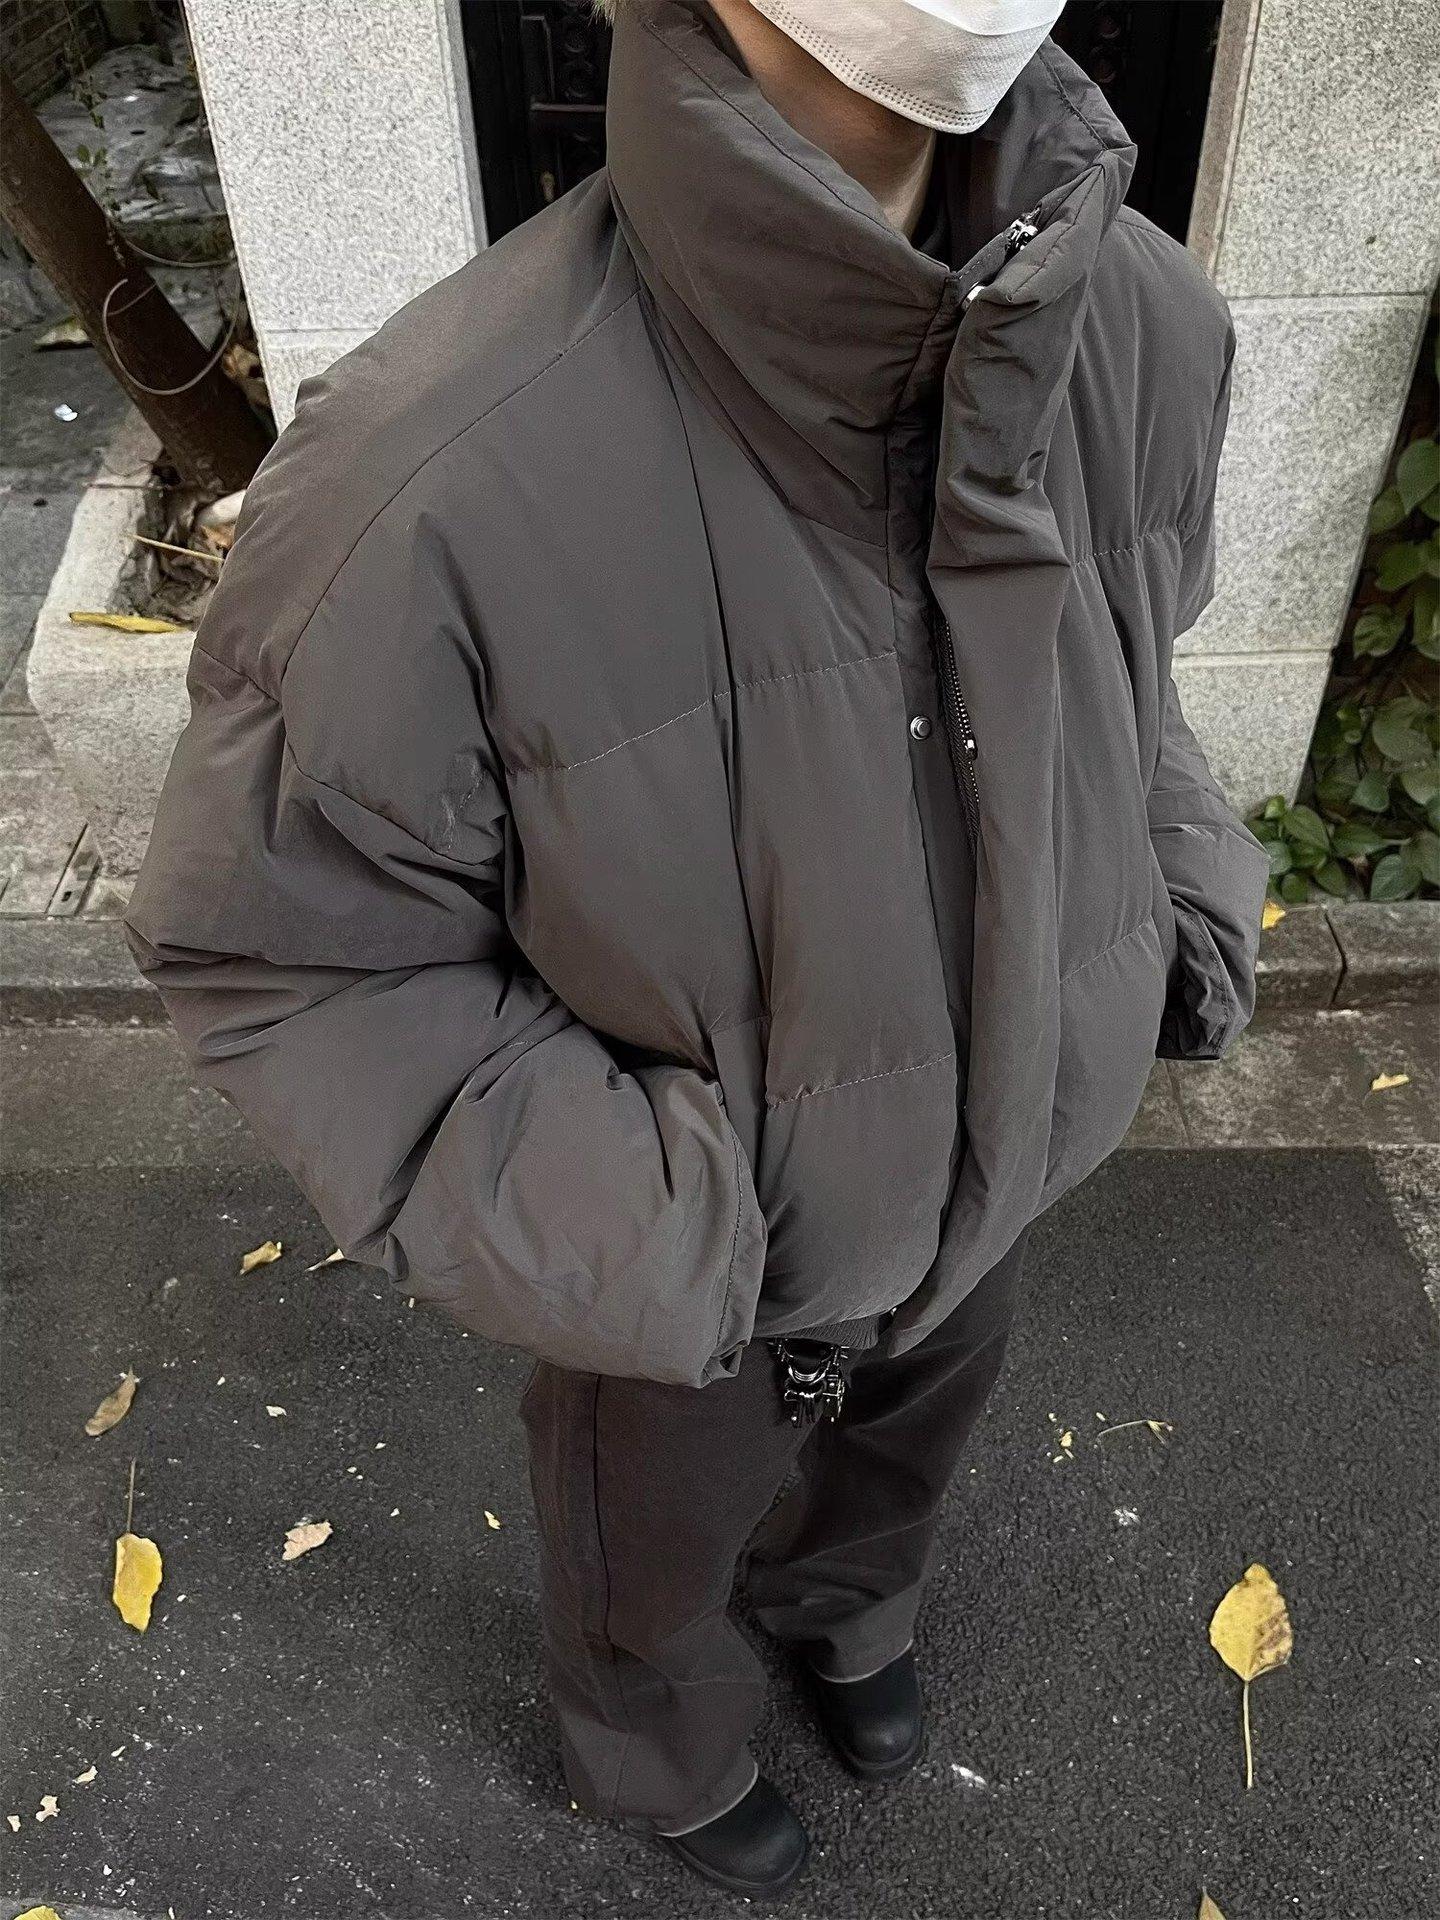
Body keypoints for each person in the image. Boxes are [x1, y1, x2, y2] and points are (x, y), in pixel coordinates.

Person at [125, 0, 1268, 1897]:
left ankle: (850, 1605)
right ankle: (651, 1737)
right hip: (692, 1253)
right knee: (643, 1536)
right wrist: (649, 1224)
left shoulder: (1142, 317)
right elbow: (290, 950)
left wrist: (1176, 910)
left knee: (923, 1421)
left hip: (999, 1164)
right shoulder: (436, 464)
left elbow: (1134, 677)